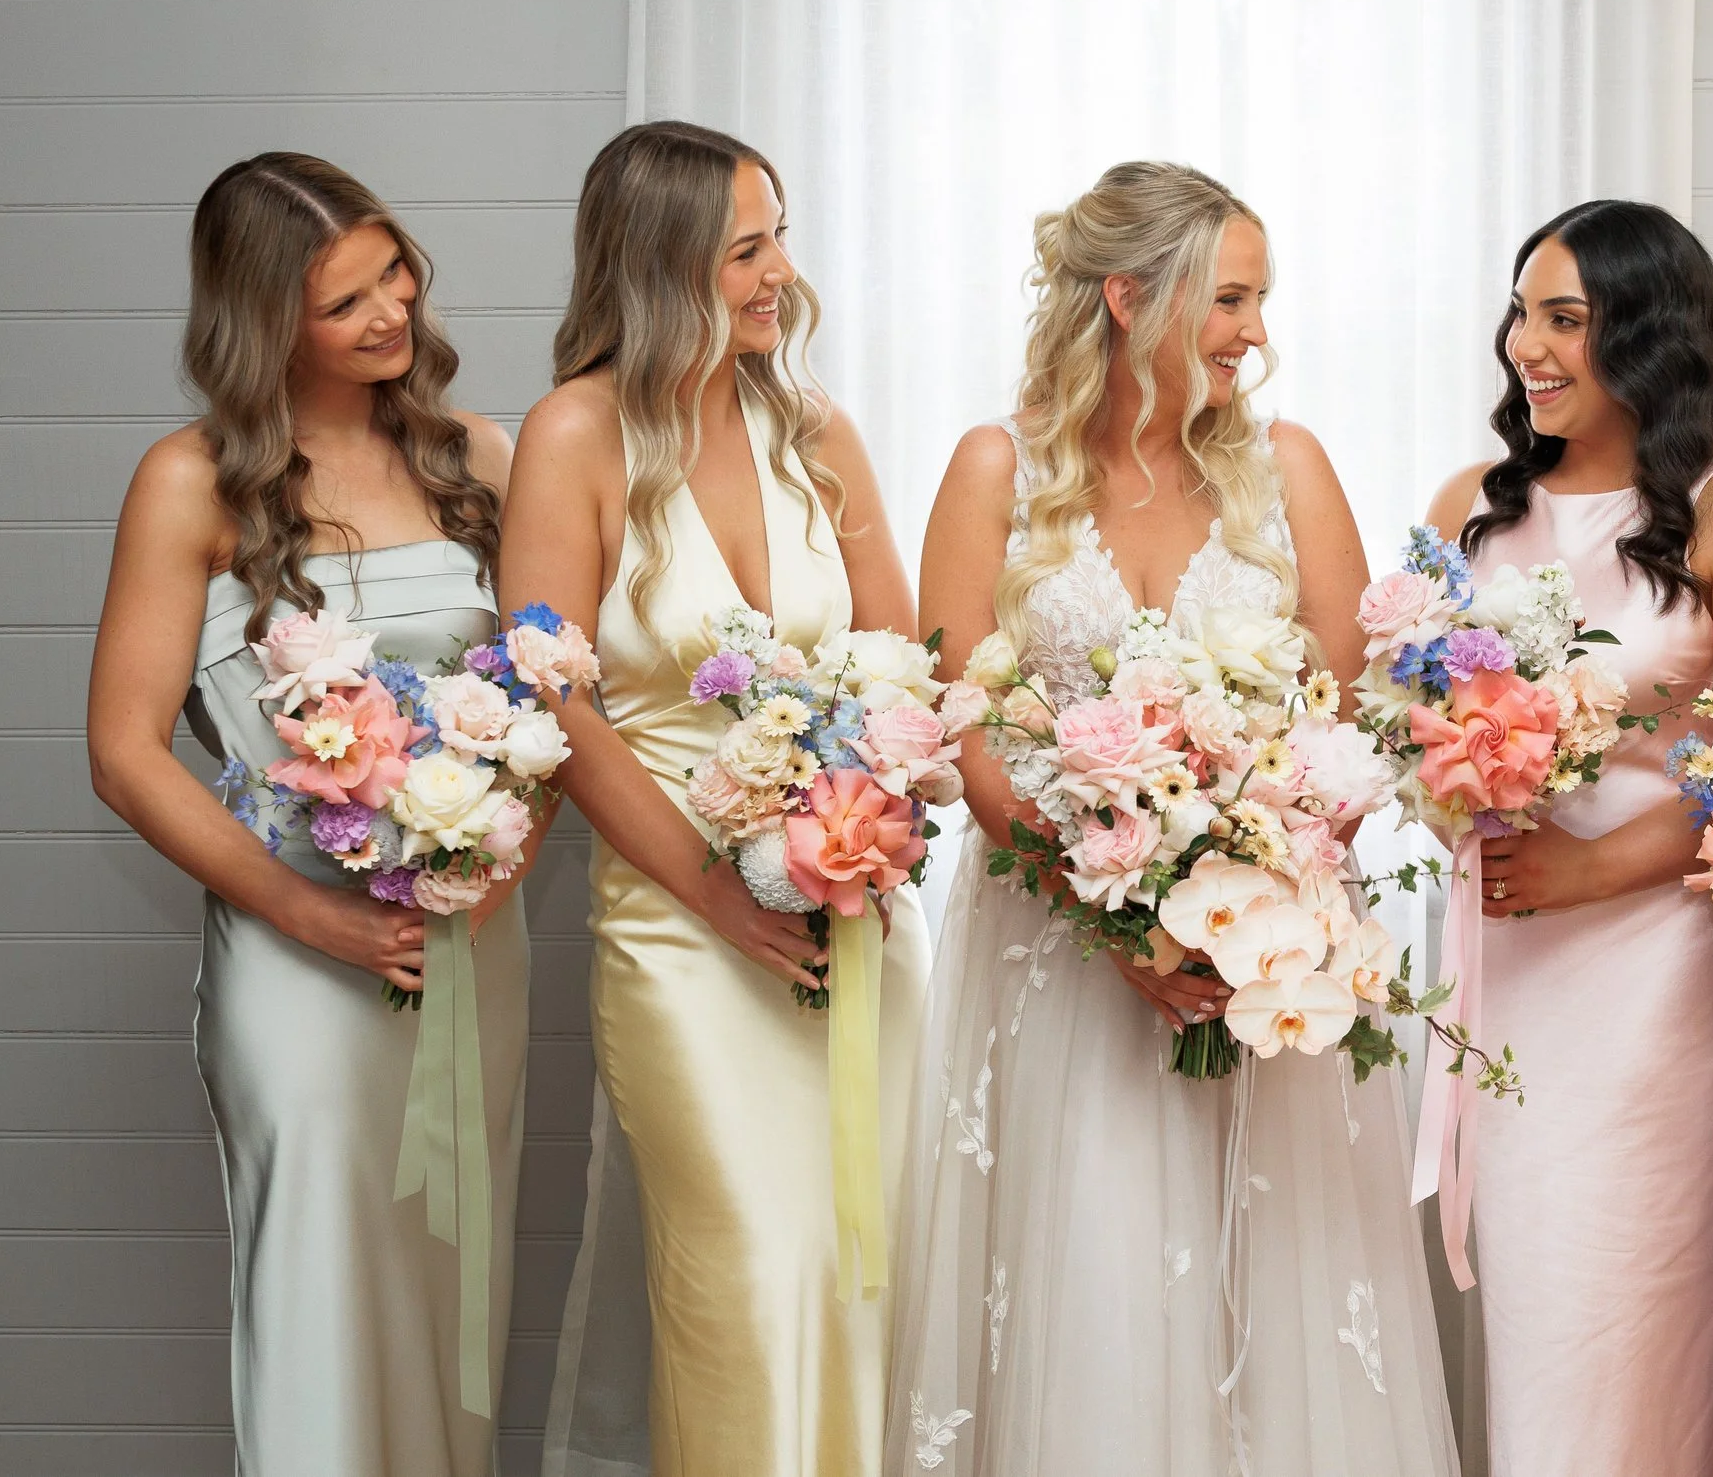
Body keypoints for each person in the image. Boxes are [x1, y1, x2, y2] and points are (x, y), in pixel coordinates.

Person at [890, 161, 1460, 1475]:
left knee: (1278, 1291)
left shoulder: (1286, 466)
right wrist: (1123, 922)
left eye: (1261, 300)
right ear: (1128, 295)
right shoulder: (997, 466)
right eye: (1234, 297)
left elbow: (1343, 705)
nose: (1257, 331)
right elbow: (968, 721)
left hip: (1268, 959)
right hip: (1057, 951)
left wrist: (1242, 897)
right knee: (1089, 1266)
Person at [86, 152, 526, 1475]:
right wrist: (308, 913)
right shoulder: (190, 481)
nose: (391, 311)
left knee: (453, 1297)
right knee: (323, 1295)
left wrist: (505, 864)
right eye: (347, 301)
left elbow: (552, 703)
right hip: (297, 955)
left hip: (468, 950)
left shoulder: (479, 455)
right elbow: (123, 748)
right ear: (266, 320)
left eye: (395, 270)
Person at [502, 120, 927, 1477]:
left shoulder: (817, 430)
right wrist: (717, 891)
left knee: (866, 1271)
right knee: (742, 1273)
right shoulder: (573, 434)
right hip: (678, 932)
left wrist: (856, 831)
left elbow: (895, 655)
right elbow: (553, 701)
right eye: (748, 247)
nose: (780, 274)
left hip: (845, 919)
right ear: (664, 261)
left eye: (781, 237)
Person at [1421, 199, 1713, 1475]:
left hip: (1656, 978)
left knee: (1627, 1304)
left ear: (1647, 337)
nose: (1526, 347)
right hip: (1507, 967)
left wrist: (1595, 865)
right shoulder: (1472, 507)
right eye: (1520, 311)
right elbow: (1402, 705)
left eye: (1565, 320)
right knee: (1538, 1311)